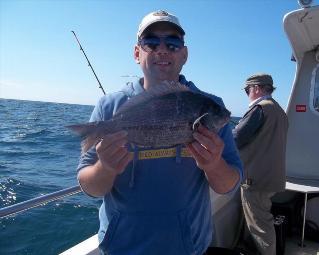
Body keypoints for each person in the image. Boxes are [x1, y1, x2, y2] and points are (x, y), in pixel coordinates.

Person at [76, 10, 243, 255]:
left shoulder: (210, 105)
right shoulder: (109, 106)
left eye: (173, 43)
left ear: (184, 54)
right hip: (121, 247)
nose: (162, 49)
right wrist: (106, 167)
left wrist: (214, 164)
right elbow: (89, 188)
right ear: (137, 53)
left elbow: (229, 185)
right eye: (151, 43)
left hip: (188, 247)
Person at [233, 73, 288, 255]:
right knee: (260, 221)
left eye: (248, 90)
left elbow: (236, 138)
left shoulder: (260, 109)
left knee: (260, 227)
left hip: (255, 179)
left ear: (256, 88)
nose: (247, 94)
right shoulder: (279, 111)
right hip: (270, 177)